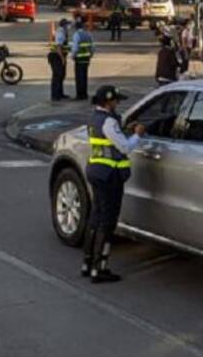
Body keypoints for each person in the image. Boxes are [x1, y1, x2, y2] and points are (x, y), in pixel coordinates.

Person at [82, 85, 144, 284]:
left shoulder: (94, 119)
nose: (118, 103)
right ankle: (99, 269)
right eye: (116, 100)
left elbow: (106, 140)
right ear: (108, 102)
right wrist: (137, 134)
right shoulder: (109, 121)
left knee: (96, 217)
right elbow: (124, 147)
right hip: (110, 176)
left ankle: (87, 263)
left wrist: (123, 129)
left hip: (96, 171)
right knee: (107, 222)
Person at [69, 17, 94, 101]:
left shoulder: (77, 35)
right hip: (86, 58)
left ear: (76, 27)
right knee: (84, 76)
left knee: (79, 77)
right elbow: (92, 46)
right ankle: (84, 94)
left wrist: (72, 56)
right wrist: (91, 55)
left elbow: (75, 47)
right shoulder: (88, 34)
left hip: (79, 59)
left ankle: (79, 95)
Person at [48, 18, 69, 101]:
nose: (68, 26)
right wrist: (62, 58)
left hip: (58, 56)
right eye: (67, 25)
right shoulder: (61, 32)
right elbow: (58, 47)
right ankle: (55, 95)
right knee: (57, 76)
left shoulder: (62, 31)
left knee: (61, 75)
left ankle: (60, 93)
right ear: (64, 25)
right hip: (56, 56)